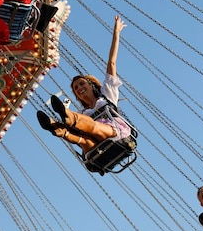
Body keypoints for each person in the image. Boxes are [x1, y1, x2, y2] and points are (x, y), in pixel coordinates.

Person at [37, 16, 133, 153]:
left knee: (94, 126)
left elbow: (112, 63)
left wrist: (116, 33)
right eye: (76, 88)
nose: (79, 88)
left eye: (82, 84)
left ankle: (68, 116)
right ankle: (58, 128)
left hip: (115, 136)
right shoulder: (83, 113)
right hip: (96, 146)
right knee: (84, 140)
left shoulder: (107, 95)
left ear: (91, 85)